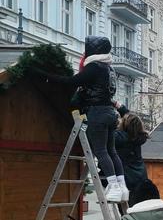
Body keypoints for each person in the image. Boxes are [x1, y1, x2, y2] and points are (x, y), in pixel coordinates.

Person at [35, 37, 128, 203]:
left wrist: (46, 76)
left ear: (93, 51)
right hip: (109, 113)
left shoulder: (94, 67)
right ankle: (121, 187)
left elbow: (72, 81)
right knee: (111, 151)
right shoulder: (109, 68)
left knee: (101, 151)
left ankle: (113, 186)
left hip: (97, 113)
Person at [113, 103, 148, 193]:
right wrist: (120, 107)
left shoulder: (118, 137)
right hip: (140, 177)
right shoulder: (139, 136)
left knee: (126, 205)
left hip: (125, 178)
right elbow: (132, 120)